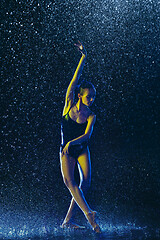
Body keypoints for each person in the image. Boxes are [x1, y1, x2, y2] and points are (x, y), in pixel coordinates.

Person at [60, 41, 101, 233]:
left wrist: (72, 142)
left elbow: (86, 136)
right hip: (66, 150)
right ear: (79, 96)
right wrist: (83, 58)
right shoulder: (69, 104)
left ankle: (70, 219)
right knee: (70, 183)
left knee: (86, 182)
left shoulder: (91, 115)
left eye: (93, 97)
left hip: (80, 147)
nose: (91, 100)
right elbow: (75, 79)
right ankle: (88, 216)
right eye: (88, 96)